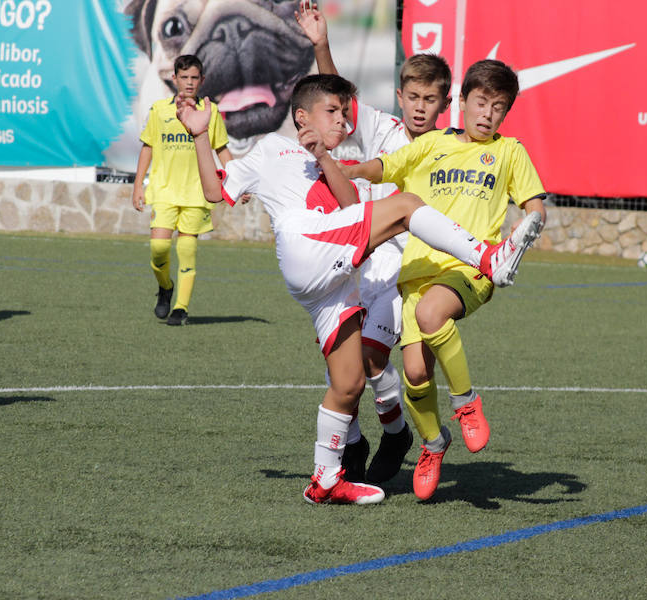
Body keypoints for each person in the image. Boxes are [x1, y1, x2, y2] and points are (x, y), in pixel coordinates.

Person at [176, 73, 532, 504]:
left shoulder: (324, 158)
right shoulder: (272, 147)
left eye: (345, 115)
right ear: (302, 116)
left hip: (330, 282)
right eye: (333, 112)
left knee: (348, 383)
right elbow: (214, 190)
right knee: (405, 207)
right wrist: (199, 135)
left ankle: (325, 479)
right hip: (308, 246)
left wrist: (325, 158)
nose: (343, 122)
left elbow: (351, 207)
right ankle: (487, 257)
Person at [340, 59, 547, 500]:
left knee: (435, 312)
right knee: (414, 372)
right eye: (481, 103)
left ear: (506, 113)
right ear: (464, 102)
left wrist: (522, 235)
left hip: (469, 270)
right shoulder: (432, 144)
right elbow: (386, 166)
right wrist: (351, 171)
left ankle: (466, 402)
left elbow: (536, 208)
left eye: (498, 107)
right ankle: (434, 443)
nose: (488, 114)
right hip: (415, 274)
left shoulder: (509, 152)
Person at [296, 1, 452, 485]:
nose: (421, 106)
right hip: (357, 254)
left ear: (444, 105)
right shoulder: (381, 128)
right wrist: (321, 43)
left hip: (404, 268)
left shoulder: (449, 149)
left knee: (369, 361)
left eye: (431, 99)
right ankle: (370, 437)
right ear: (400, 96)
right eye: (414, 96)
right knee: (341, 366)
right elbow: (338, 99)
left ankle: (394, 433)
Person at [132, 54, 237, 326]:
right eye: (184, 77)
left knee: (188, 248)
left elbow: (221, 148)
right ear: (174, 78)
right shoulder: (159, 110)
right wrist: (137, 186)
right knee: (158, 248)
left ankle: (181, 308)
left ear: (202, 80)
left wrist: (238, 181)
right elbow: (148, 147)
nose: (189, 82)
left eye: (194, 78)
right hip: (165, 191)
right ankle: (165, 286)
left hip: (197, 192)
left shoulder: (209, 112)